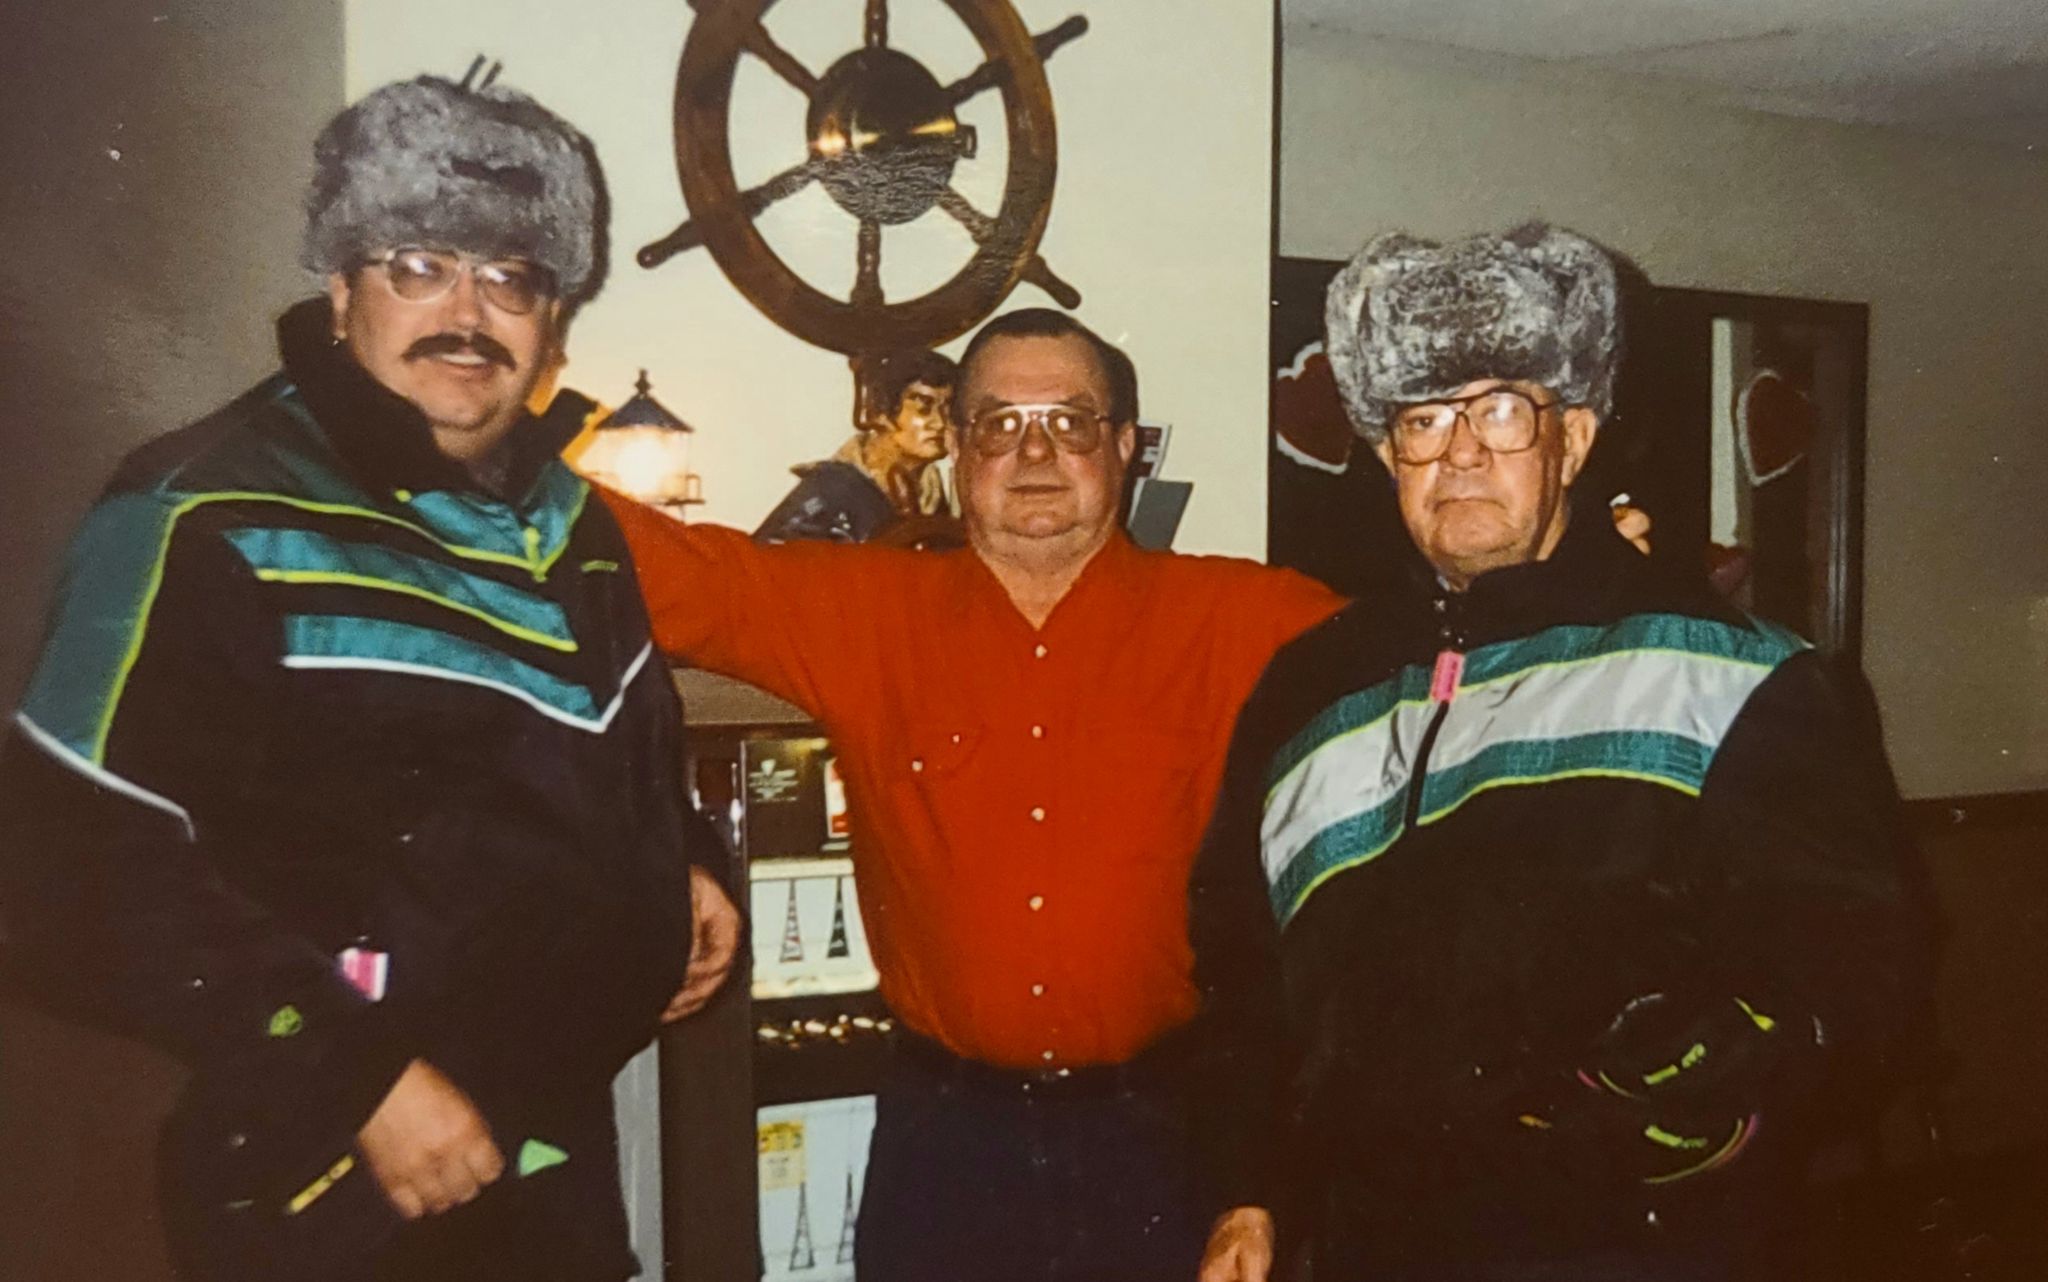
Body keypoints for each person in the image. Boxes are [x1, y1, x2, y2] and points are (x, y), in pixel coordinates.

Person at [0, 73, 739, 1282]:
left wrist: (689, 863)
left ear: (551, 318)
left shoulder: (576, 523)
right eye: (420, 265)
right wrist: (359, 1077)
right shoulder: (199, 509)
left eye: (509, 276)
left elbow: (610, 759)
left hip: (548, 1163)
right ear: (341, 289)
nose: (468, 312)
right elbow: (62, 865)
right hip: (337, 1178)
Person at [1188, 224, 1934, 1282]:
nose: (1459, 453)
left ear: (1572, 439)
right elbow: (1241, 967)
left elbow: (1855, 972)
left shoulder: (1733, 672)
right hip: (1372, 1240)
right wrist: (1250, 1187)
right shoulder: (1309, 690)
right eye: (1422, 420)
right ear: (1388, 455)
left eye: (1500, 410)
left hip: (1633, 1243)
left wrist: (1690, 1086)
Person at [605, 308, 1350, 1282]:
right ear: (957, 449)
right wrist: (477, 440)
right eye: (999, 424)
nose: (1033, 453)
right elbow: (663, 572)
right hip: (944, 1144)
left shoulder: (1245, 615)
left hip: (1169, 1135)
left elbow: (1421, 657)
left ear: (1124, 446)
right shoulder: (866, 610)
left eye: (1069, 422)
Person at [753, 348, 959, 544]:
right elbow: (768, 556)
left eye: (948, 410)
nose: (940, 423)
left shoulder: (932, 495)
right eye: (923, 407)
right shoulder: (831, 489)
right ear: (882, 411)